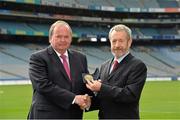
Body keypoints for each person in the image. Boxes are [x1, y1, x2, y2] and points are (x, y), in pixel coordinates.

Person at [27, 20, 91, 119]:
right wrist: (74, 98)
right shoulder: (38, 58)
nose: (63, 40)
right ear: (50, 38)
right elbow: (42, 85)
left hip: (74, 115)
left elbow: (84, 83)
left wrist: (88, 97)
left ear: (71, 38)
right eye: (58, 36)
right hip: (47, 115)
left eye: (66, 37)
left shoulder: (80, 58)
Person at [86, 24, 147, 119]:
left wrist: (101, 87)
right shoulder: (104, 66)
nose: (117, 45)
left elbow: (130, 95)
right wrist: (89, 102)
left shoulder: (138, 66)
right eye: (114, 41)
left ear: (129, 42)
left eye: (121, 41)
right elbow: (103, 98)